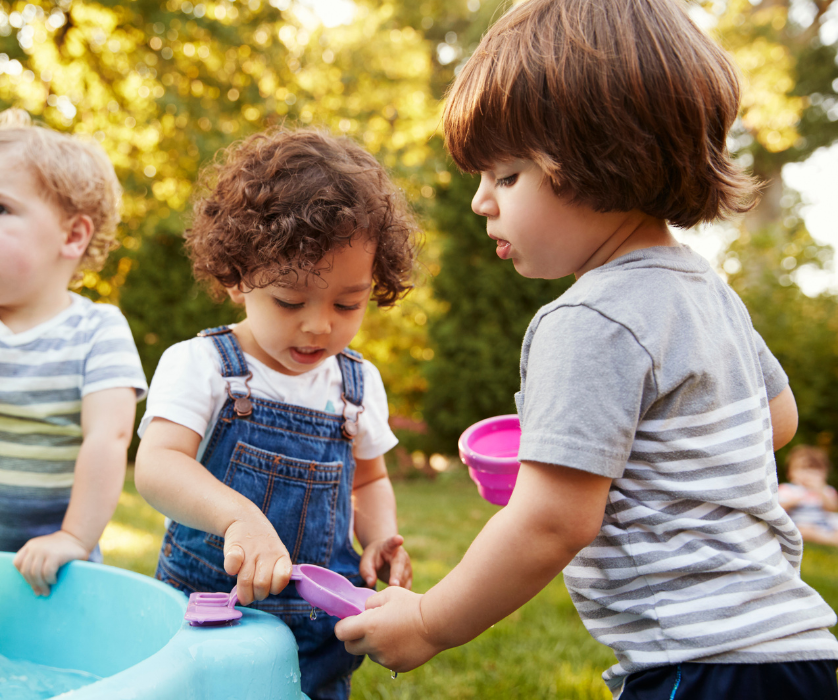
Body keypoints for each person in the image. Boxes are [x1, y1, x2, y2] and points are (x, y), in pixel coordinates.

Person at [335, 1, 838, 698]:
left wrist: (426, 622)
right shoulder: (705, 288)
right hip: (793, 651)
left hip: (700, 664)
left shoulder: (588, 318)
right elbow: (776, 421)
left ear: (602, 159)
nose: (481, 201)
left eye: (506, 176)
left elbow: (551, 524)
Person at [134, 128, 417, 700]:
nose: (319, 325)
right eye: (290, 301)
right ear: (239, 277)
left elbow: (369, 480)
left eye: (348, 303)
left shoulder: (357, 384)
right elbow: (159, 466)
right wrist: (238, 518)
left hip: (316, 636)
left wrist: (380, 538)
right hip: (211, 623)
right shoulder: (202, 365)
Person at [0, 109, 147, 597]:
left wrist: (74, 538)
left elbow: (108, 437)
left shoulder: (98, 330)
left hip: (62, 563)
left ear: (72, 236)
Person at [779, 446, 838, 546]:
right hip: (800, 524)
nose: (807, 474)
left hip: (823, 525)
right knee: (804, 531)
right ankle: (829, 540)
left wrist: (820, 490)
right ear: (789, 473)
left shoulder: (826, 490)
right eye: (802, 469)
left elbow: (832, 508)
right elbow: (778, 508)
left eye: (813, 470)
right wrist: (794, 501)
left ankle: (828, 538)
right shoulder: (788, 489)